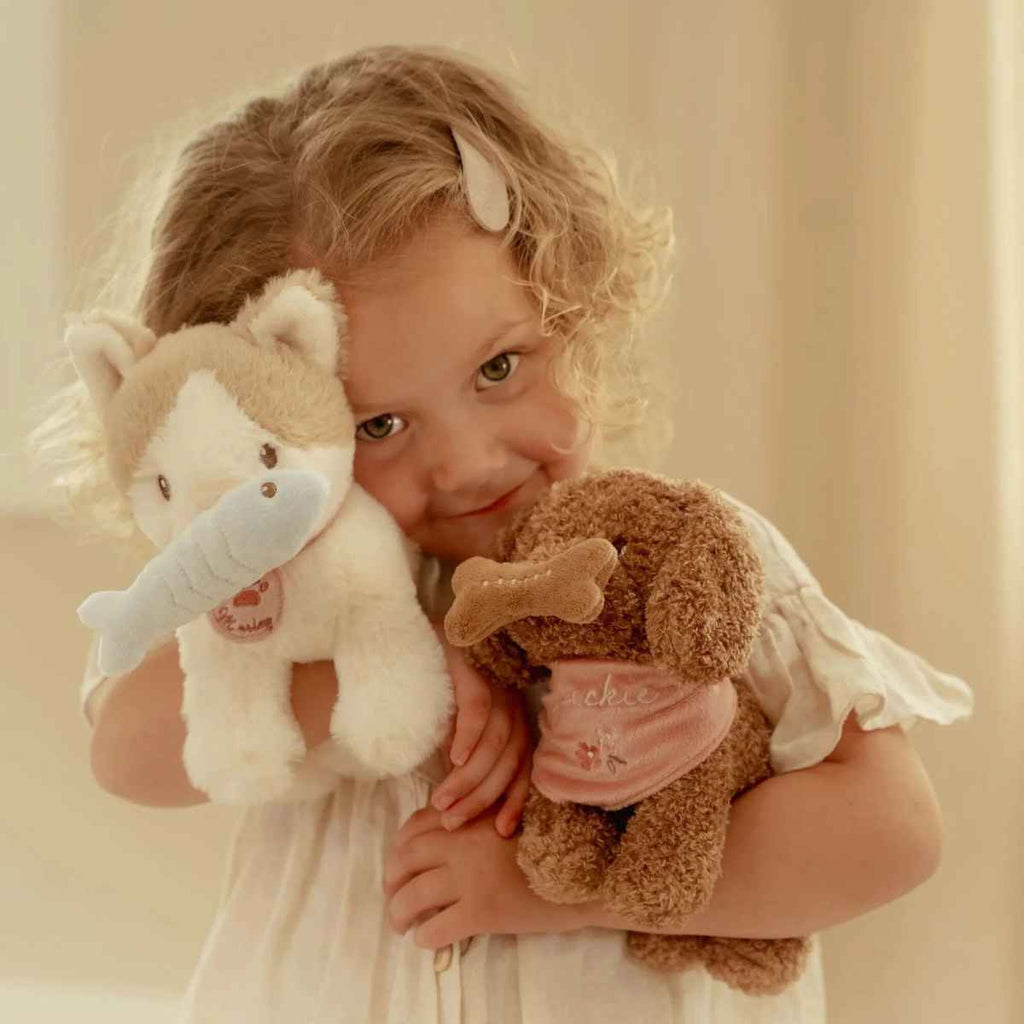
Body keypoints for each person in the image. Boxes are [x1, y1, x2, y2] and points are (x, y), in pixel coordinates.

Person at [46, 45, 973, 1023]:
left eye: (498, 369)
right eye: (378, 425)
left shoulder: (682, 566)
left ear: (568, 299)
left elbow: (891, 830)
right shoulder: (290, 598)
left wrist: (547, 886)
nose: (467, 462)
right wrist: (401, 662)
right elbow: (129, 751)